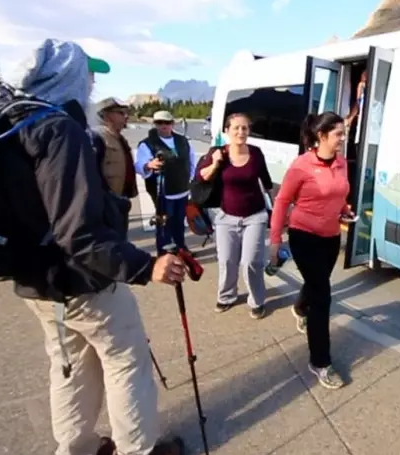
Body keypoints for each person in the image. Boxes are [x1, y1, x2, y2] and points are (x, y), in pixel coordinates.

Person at [10, 39, 188, 455]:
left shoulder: (18, 122)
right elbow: (79, 232)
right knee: (126, 359)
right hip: (81, 278)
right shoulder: (60, 129)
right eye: (87, 74)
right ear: (68, 76)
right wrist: (145, 267)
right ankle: (138, 450)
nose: (90, 82)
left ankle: (79, 447)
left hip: (35, 278)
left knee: (69, 363)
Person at [269, 111, 353, 390]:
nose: (343, 138)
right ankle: (320, 362)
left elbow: (339, 194)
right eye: (338, 133)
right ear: (322, 136)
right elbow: (282, 202)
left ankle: (299, 306)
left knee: (317, 285)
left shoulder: (341, 162)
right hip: (303, 236)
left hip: (330, 238)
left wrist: (344, 210)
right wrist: (275, 242)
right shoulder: (301, 166)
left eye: (343, 132)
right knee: (323, 298)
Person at [196, 113, 273, 318]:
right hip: (226, 216)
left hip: (255, 216)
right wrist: (215, 163)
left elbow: (266, 182)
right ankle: (227, 296)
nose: (241, 132)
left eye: (245, 128)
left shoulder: (256, 153)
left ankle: (257, 300)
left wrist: (278, 209)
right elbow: (201, 178)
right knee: (227, 260)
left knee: (251, 262)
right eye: (236, 128)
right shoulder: (218, 153)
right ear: (227, 131)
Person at [134, 111, 197, 254]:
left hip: (182, 190)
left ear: (172, 124)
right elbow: (139, 165)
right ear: (155, 124)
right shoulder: (147, 144)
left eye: (166, 123)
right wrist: (149, 165)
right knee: (164, 224)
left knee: (179, 222)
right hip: (162, 192)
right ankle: (164, 253)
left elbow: (191, 160)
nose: (163, 126)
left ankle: (181, 248)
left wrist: (191, 178)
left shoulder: (183, 140)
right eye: (159, 123)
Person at [91, 97, 138, 201]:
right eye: (120, 113)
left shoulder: (120, 138)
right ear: (106, 116)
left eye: (126, 113)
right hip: (107, 203)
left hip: (122, 198)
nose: (126, 116)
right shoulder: (97, 138)